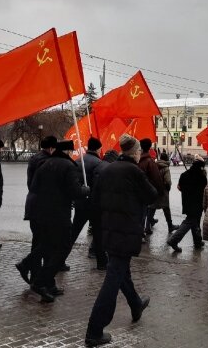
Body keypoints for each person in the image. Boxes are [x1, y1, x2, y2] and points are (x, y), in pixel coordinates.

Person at [85, 135, 157, 347]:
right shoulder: (134, 171)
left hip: (109, 231)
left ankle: (135, 304)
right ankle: (94, 330)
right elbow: (152, 195)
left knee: (121, 271)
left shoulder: (107, 169)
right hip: (126, 232)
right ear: (134, 152)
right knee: (113, 279)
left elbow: (95, 201)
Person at [29, 140, 89, 302]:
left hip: (42, 213)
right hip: (59, 214)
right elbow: (75, 191)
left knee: (49, 247)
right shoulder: (68, 166)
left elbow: (35, 187)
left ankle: (47, 284)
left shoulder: (45, 164)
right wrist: (85, 189)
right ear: (68, 151)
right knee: (62, 248)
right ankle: (41, 281)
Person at [15, 136, 57, 285]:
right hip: (43, 207)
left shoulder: (34, 159)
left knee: (38, 240)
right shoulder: (46, 162)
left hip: (33, 204)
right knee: (46, 242)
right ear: (52, 148)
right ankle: (37, 276)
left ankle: (35, 276)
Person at [68, 137, 103, 266]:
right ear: (98, 148)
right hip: (93, 204)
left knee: (73, 233)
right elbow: (98, 185)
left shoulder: (78, 161)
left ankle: (60, 259)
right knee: (98, 234)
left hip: (80, 202)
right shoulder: (98, 163)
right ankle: (101, 262)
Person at [167, 156, 208, 252]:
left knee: (195, 221)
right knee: (190, 221)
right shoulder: (202, 177)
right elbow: (205, 191)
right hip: (197, 203)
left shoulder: (184, 174)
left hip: (187, 202)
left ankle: (197, 241)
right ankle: (174, 240)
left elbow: (179, 187)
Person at [138, 139, 164, 237]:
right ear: (149, 148)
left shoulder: (136, 159)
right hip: (145, 192)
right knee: (143, 214)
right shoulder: (150, 161)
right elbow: (157, 178)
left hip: (136, 192)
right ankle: (140, 234)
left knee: (137, 213)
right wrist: (160, 191)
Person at [153, 152, 178, 234]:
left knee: (152, 207)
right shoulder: (166, 168)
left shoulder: (155, 166)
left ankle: (147, 225)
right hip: (163, 191)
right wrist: (168, 189)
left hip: (155, 189)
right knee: (166, 208)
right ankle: (170, 226)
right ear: (167, 158)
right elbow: (168, 181)